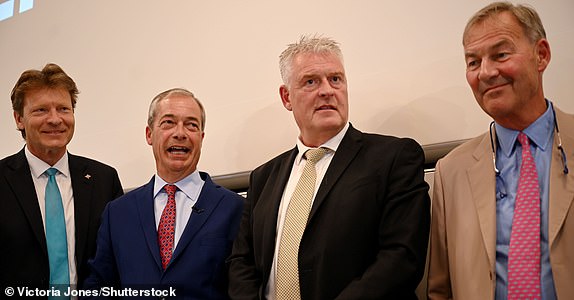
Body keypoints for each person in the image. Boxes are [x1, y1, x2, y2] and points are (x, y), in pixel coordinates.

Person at [228, 35, 430, 300]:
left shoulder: (394, 158)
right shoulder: (263, 178)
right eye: (311, 81)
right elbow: (241, 264)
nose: (327, 90)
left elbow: (401, 258)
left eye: (335, 79)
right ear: (286, 97)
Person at [427, 2, 574, 299]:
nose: (486, 72)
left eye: (501, 55)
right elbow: (439, 289)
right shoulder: (450, 171)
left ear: (541, 55)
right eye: (472, 62)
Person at [84, 88, 244, 299]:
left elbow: (244, 286)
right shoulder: (117, 213)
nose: (180, 133)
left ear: (201, 137)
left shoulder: (235, 208)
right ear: (149, 134)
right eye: (168, 122)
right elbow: (99, 286)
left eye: (191, 125)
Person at [0, 63, 124, 293]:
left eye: (63, 109)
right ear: (19, 119)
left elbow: (116, 262)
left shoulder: (104, 179)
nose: (55, 119)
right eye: (41, 110)